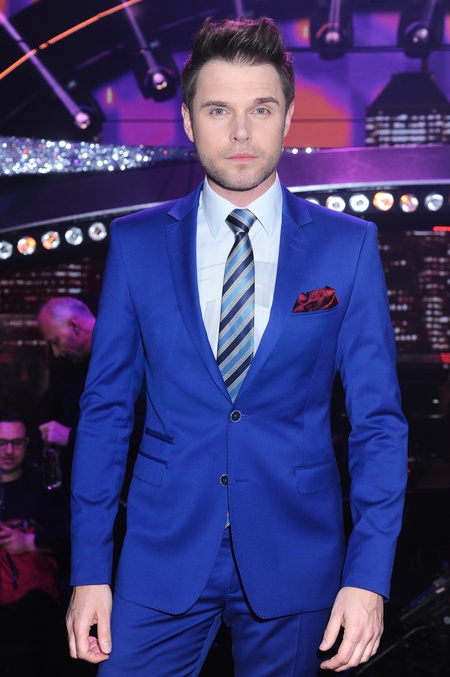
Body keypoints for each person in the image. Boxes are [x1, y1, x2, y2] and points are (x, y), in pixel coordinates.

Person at [66, 15, 408, 676]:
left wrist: (368, 578)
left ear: (288, 118)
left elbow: (379, 425)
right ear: (189, 120)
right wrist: (89, 569)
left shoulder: (347, 246)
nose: (242, 132)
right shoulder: (136, 243)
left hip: (297, 552)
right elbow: (105, 412)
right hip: (161, 550)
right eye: (219, 109)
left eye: (262, 109)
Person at [0, 407, 70, 676]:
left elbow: (70, 534)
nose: (8, 451)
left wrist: (30, 541)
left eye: (16, 443)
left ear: (27, 443)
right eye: (2, 443)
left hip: (31, 606)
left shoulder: (42, 484)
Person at [36, 296, 96, 489]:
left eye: (55, 342)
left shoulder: (122, 354)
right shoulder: (66, 366)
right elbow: (46, 411)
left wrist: (71, 436)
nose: (55, 352)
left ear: (73, 325)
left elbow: (134, 427)